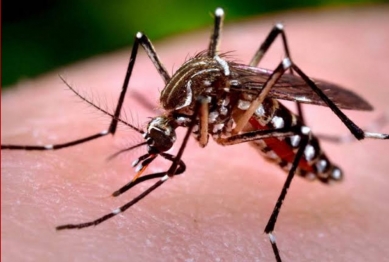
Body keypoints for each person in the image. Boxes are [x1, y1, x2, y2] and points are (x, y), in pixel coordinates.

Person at [2, 6, 389, 261]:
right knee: (143, 40)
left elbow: (201, 111)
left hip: (279, 133)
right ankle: (106, 127)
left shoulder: (198, 107)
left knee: (280, 62)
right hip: (227, 107)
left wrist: (163, 173)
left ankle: (354, 136)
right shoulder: (175, 104)